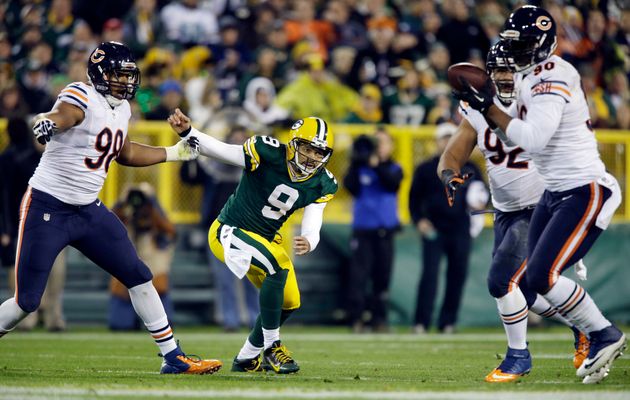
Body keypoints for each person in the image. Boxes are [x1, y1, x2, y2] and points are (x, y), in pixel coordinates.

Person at [0, 42, 221, 375]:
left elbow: (126, 152)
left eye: (129, 75)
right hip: (48, 207)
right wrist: (46, 122)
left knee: (139, 274)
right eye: (118, 74)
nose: (125, 82)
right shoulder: (82, 94)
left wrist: (175, 153)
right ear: (99, 74)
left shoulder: (122, 109)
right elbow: (63, 115)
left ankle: (173, 356)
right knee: (26, 302)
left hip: (88, 210)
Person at [453, 5, 625, 384]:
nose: (517, 52)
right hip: (553, 193)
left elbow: (533, 139)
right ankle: (587, 331)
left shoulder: (554, 74)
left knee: (540, 276)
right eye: (513, 44)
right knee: (530, 283)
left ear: (545, 44)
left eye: (526, 44)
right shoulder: (526, 76)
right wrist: (487, 108)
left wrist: (491, 112)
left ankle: (602, 333)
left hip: (583, 187)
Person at [439, 42, 590, 382]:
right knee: (529, 293)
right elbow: (452, 153)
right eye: (499, 70)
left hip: (542, 206)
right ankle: (586, 328)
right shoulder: (477, 108)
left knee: (501, 281)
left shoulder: (541, 102)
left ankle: (518, 357)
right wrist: (449, 175)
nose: (506, 76)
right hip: (505, 211)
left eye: (512, 68)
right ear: (488, 75)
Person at [168, 110, 337, 374]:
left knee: (290, 302)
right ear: (293, 143)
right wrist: (190, 133)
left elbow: (313, 219)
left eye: (319, 152)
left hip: (265, 240)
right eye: (307, 148)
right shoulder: (267, 151)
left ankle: (247, 358)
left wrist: (310, 241)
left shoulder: (322, 182)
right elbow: (225, 152)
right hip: (230, 230)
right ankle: (272, 347)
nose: (312, 157)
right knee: (277, 268)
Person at [408, 122, 486, 334]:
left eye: (451, 137)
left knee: (457, 276)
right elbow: (413, 199)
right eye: (444, 138)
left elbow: (482, 197)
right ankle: (421, 322)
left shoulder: (471, 168)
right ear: (437, 141)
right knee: (429, 276)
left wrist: (480, 208)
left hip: (461, 229)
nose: (447, 142)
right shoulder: (425, 168)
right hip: (435, 228)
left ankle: (447, 322)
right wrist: (419, 221)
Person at [0, 117, 66, 332]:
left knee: (52, 272)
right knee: (28, 271)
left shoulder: (55, 155)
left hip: (51, 220)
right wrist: (7, 228)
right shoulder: (15, 158)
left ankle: (51, 317)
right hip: (28, 220)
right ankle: (30, 317)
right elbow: (6, 195)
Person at [344, 128, 402, 333]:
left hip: (385, 231)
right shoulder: (359, 169)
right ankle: (357, 319)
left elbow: (392, 184)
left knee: (382, 278)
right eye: (376, 143)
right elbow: (349, 186)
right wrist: (357, 160)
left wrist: (376, 166)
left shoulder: (394, 167)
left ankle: (379, 319)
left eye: (383, 143)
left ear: (390, 146)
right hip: (363, 230)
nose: (379, 147)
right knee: (358, 277)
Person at [109, 183, 177, 330]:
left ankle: (161, 321)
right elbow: (108, 223)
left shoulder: (154, 212)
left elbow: (171, 231)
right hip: (130, 245)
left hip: (152, 248)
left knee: (159, 284)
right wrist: (122, 204)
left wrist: (151, 209)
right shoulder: (124, 211)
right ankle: (122, 322)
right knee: (120, 285)